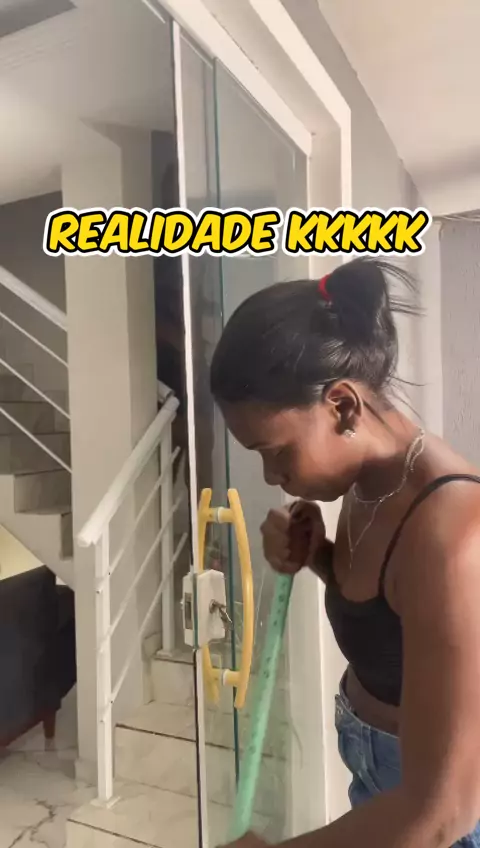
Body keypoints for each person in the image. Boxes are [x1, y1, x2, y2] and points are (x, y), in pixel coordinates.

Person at [210, 258, 480, 848]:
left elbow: (444, 812)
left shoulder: (453, 532)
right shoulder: (371, 480)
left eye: (276, 451)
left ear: (342, 406)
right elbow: (394, 614)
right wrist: (318, 554)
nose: (274, 477)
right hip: (378, 777)